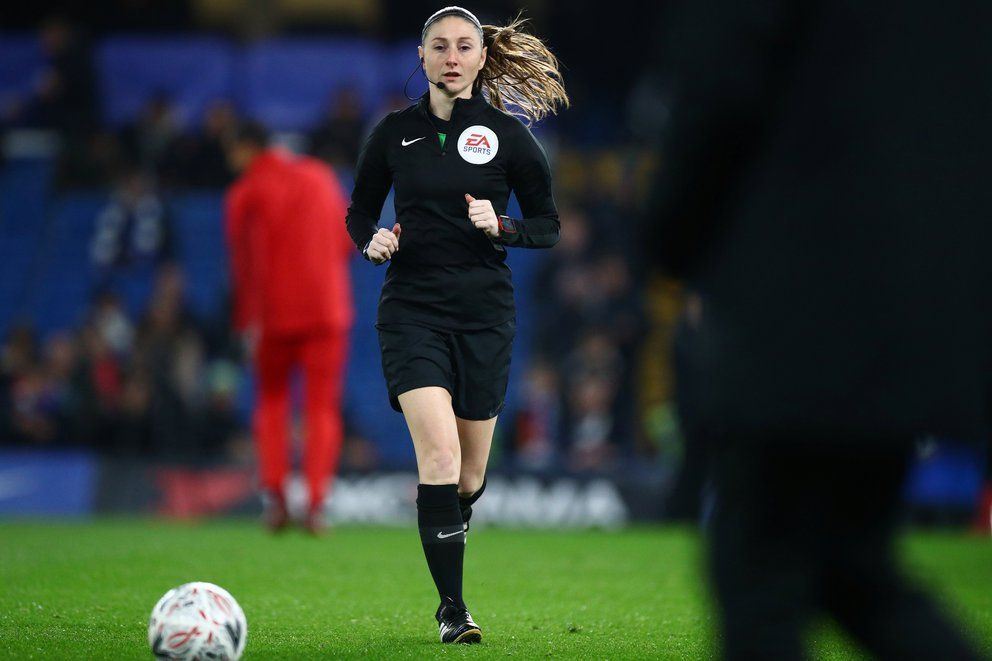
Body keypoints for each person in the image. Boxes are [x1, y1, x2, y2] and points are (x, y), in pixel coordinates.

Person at [647, 1, 990, 659]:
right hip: (924, 287)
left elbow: (718, 88)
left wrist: (670, 236)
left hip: (807, 292)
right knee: (853, 568)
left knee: (760, 570)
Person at [345, 6, 568, 644]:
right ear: (421, 58)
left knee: (469, 478)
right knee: (438, 456)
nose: (450, 56)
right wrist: (373, 243)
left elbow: (549, 226)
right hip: (412, 309)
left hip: (483, 314)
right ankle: (453, 610)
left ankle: (441, 525)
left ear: (480, 58)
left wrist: (499, 226)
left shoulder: (510, 136)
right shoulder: (392, 133)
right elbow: (359, 212)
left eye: (463, 46)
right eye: (438, 46)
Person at [224, 122, 354, 534]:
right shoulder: (321, 176)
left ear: (247, 149)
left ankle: (276, 500)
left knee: (272, 404)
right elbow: (346, 242)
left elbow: (243, 266)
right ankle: (316, 504)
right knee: (321, 408)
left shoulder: (244, 193)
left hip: (272, 316)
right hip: (326, 311)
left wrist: (247, 322)